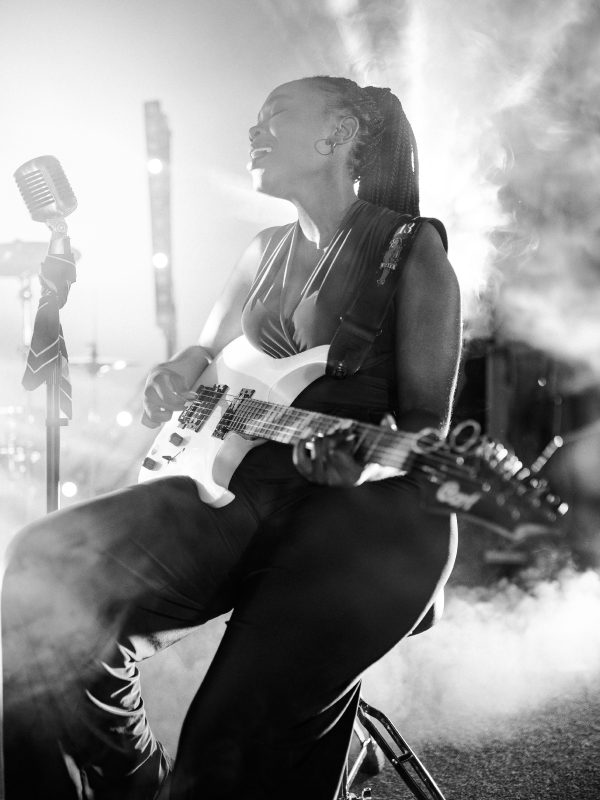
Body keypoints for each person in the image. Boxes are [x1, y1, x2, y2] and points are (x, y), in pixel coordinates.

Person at [2, 75, 462, 799]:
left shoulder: (411, 250)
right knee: (41, 570)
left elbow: (428, 428)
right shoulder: (265, 248)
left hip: (359, 517)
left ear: (338, 134)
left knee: (223, 746)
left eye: (275, 115)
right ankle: (132, 786)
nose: (255, 130)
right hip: (235, 490)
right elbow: (205, 350)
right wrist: (176, 374)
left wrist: (361, 465)